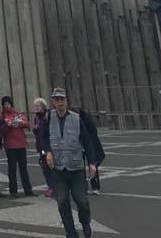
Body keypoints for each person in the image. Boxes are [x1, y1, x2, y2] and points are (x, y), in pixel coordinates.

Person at [41, 88, 97, 238]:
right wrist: (47, 152)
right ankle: (71, 233)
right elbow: (43, 138)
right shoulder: (48, 118)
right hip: (58, 169)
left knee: (82, 201)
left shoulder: (76, 118)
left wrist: (92, 162)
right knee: (62, 202)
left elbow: (87, 141)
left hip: (76, 167)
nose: (59, 102)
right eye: (56, 99)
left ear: (66, 101)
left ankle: (85, 223)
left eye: (62, 99)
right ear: (53, 102)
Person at [0, 96, 35, 197]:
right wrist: (8, 125)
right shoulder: (2, 116)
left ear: (11, 104)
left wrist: (20, 123)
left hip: (21, 144)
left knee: (23, 168)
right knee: (12, 168)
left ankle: (28, 190)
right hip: (10, 145)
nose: (7, 106)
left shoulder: (17, 113)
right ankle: (13, 191)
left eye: (8, 103)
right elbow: (1, 130)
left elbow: (27, 124)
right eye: (5, 104)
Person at [78, 106, 105, 195]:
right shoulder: (81, 119)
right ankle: (86, 187)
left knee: (92, 166)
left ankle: (94, 186)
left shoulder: (86, 120)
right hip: (81, 145)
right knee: (81, 166)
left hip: (89, 145)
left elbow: (92, 133)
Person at [32, 97, 56, 197]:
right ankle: (51, 186)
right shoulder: (36, 118)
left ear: (43, 106)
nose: (36, 108)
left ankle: (54, 187)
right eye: (35, 106)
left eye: (37, 106)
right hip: (41, 145)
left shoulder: (49, 115)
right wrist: (35, 129)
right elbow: (38, 133)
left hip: (49, 145)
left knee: (52, 166)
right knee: (45, 166)